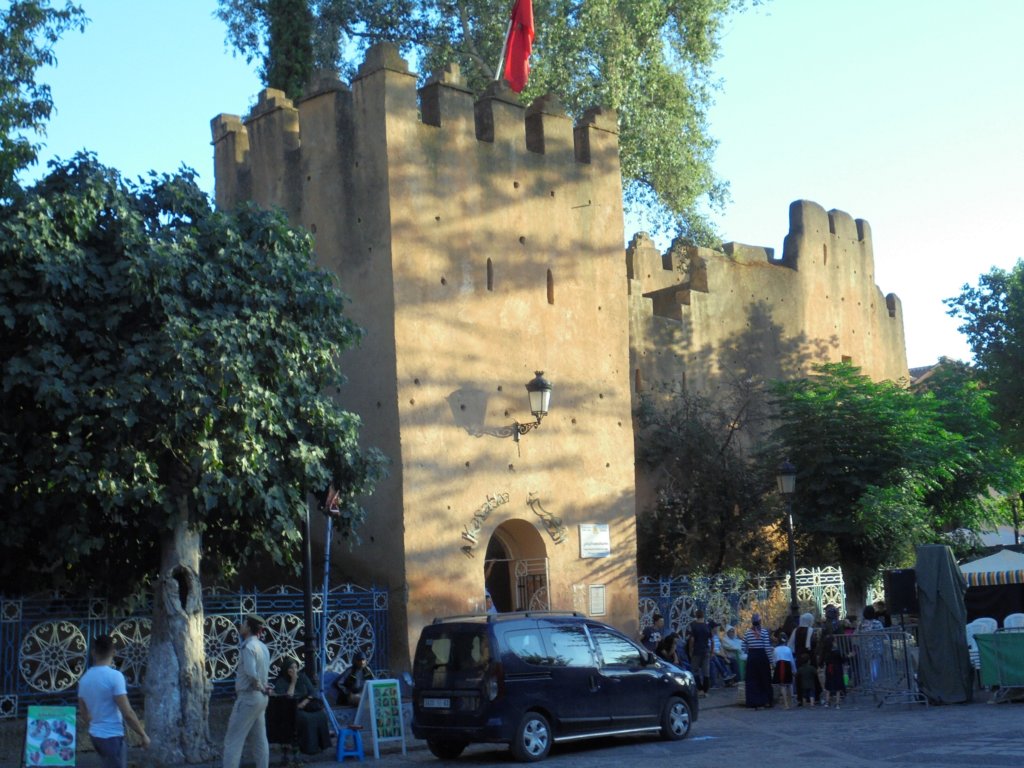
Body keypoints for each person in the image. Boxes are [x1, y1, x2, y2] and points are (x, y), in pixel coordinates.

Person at [77, 635, 150, 768]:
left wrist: (96, 726)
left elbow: (83, 713)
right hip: (112, 737)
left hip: (95, 736)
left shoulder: (84, 680)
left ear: (93, 652)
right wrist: (143, 734)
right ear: (113, 652)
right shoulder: (115, 677)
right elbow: (127, 713)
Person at [223, 614, 271, 768]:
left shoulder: (248, 646)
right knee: (259, 740)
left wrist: (259, 685)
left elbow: (251, 673)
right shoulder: (263, 647)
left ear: (249, 627)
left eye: (244, 623)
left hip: (249, 698)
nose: (241, 626)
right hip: (260, 699)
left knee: (233, 741)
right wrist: (262, 686)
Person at [272, 659, 331, 755]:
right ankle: (309, 748)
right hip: (290, 708)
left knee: (321, 715)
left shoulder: (303, 677)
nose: (294, 670)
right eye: (291, 668)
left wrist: (305, 702)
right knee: (306, 719)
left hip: (305, 704)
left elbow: (312, 691)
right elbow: (287, 698)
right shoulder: (281, 682)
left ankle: (320, 745)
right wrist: (293, 682)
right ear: (286, 669)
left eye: (296, 667)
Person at [742, 613, 774, 708]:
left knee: (752, 680)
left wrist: (749, 651)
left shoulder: (747, 632)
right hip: (762, 657)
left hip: (752, 657)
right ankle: (766, 700)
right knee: (764, 678)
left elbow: (743, 646)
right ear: (760, 622)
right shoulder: (764, 632)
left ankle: (753, 701)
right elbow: (767, 647)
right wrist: (771, 661)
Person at [819, 605, 846, 708]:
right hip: (836, 654)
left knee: (829, 677)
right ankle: (838, 697)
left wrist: (821, 658)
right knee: (839, 676)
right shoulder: (838, 625)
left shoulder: (825, 626)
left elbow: (822, 642)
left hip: (828, 655)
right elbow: (843, 640)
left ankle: (828, 699)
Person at [686, 610, 712, 696]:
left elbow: (692, 639)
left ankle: (700, 689)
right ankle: (705, 691)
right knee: (706, 672)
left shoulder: (693, 625)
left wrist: (690, 650)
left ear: (696, 616)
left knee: (695, 670)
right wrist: (711, 651)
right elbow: (711, 640)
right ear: (703, 616)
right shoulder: (707, 626)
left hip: (697, 651)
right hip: (706, 651)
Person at [772, 632, 795, 708]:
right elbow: (792, 660)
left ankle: (786, 704)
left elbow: (774, 660)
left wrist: (775, 667)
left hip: (779, 665)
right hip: (788, 665)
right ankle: (790, 701)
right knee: (789, 683)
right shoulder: (788, 649)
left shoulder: (776, 649)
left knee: (783, 685)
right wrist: (794, 669)